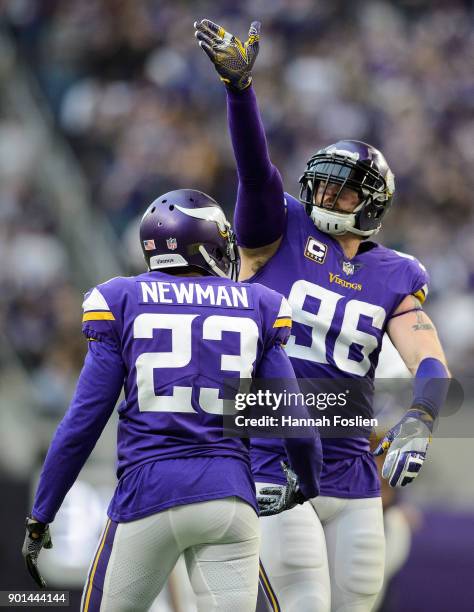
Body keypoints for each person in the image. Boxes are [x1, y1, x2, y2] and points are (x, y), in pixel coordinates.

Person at [194, 20, 450, 612]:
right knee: (303, 602)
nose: (328, 199)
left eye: (344, 192)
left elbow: (430, 359)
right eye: (324, 187)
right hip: (272, 450)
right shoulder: (279, 229)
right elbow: (255, 170)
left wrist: (421, 418)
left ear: (374, 204)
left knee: (357, 600)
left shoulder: (396, 273)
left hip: (353, 463)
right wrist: (241, 92)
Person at [22, 189, 322, 612]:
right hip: (229, 497)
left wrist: (42, 514)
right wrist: (307, 485)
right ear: (206, 245)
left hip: (148, 494)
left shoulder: (121, 299)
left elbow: (83, 423)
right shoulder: (260, 305)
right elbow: (298, 426)